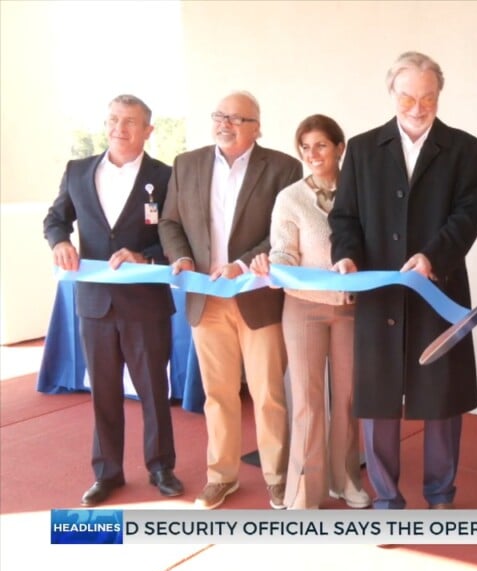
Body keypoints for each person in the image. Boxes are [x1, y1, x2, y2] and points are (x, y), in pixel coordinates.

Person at [328, 51, 477, 510]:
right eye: (408, 98)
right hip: (379, 293)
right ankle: (387, 500)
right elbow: (345, 218)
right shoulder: (360, 148)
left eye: (428, 98)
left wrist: (431, 257)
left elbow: (468, 216)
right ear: (391, 94)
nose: (418, 108)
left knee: (440, 396)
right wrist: (347, 258)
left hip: (438, 290)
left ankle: (440, 495)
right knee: (378, 401)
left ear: (440, 95)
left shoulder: (466, 149)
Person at [158, 91, 302, 510]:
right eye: (220, 115)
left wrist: (241, 264)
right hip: (206, 299)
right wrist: (182, 257)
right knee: (217, 396)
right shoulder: (187, 164)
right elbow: (170, 221)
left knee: (268, 394)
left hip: (257, 299)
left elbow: (284, 229)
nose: (225, 123)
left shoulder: (282, 168)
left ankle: (278, 477)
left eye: (237, 118)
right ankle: (221, 477)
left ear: (256, 126)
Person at [43, 94, 183, 506]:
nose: (119, 128)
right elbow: (55, 218)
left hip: (146, 303)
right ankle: (107, 473)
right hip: (95, 304)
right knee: (102, 391)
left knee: (154, 389)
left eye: (129, 121)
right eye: (113, 120)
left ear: (148, 130)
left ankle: (161, 467)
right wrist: (60, 242)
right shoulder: (78, 171)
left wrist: (146, 256)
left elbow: (174, 233)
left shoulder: (166, 175)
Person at [250, 114, 370, 510]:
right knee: (307, 400)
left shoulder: (361, 192)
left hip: (352, 309)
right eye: (305, 147)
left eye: (320, 145)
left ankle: (346, 479)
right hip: (303, 307)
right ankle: (305, 490)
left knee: (348, 399)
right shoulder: (290, 197)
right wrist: (274, 263)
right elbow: (284, 248)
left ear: (339, 147)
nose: (312, 154)